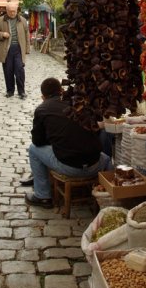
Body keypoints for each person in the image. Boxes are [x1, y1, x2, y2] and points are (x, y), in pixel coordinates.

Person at [25, 77, 113, 208]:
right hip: (96, 163)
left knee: (33, 149)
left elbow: (37, 141)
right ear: (61, 90)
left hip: (69, 167)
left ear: (43, 97)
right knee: (106, 159)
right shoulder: (79, 102)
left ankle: (42, 195)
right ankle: (110, 195)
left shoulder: (42, 109)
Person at [0, 1, 30, 99]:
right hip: (6, 49)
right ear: (6, 10)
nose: (12, 13)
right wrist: (2, 34)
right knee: (8, 71)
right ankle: (10, 91)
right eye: (10, 11)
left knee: (20, 70)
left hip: (18, 49)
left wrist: (27, 49)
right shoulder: (0, 20)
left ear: (17, 10)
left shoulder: (22, 20)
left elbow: (27, 34)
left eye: (14, 11)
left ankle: (21, 92)